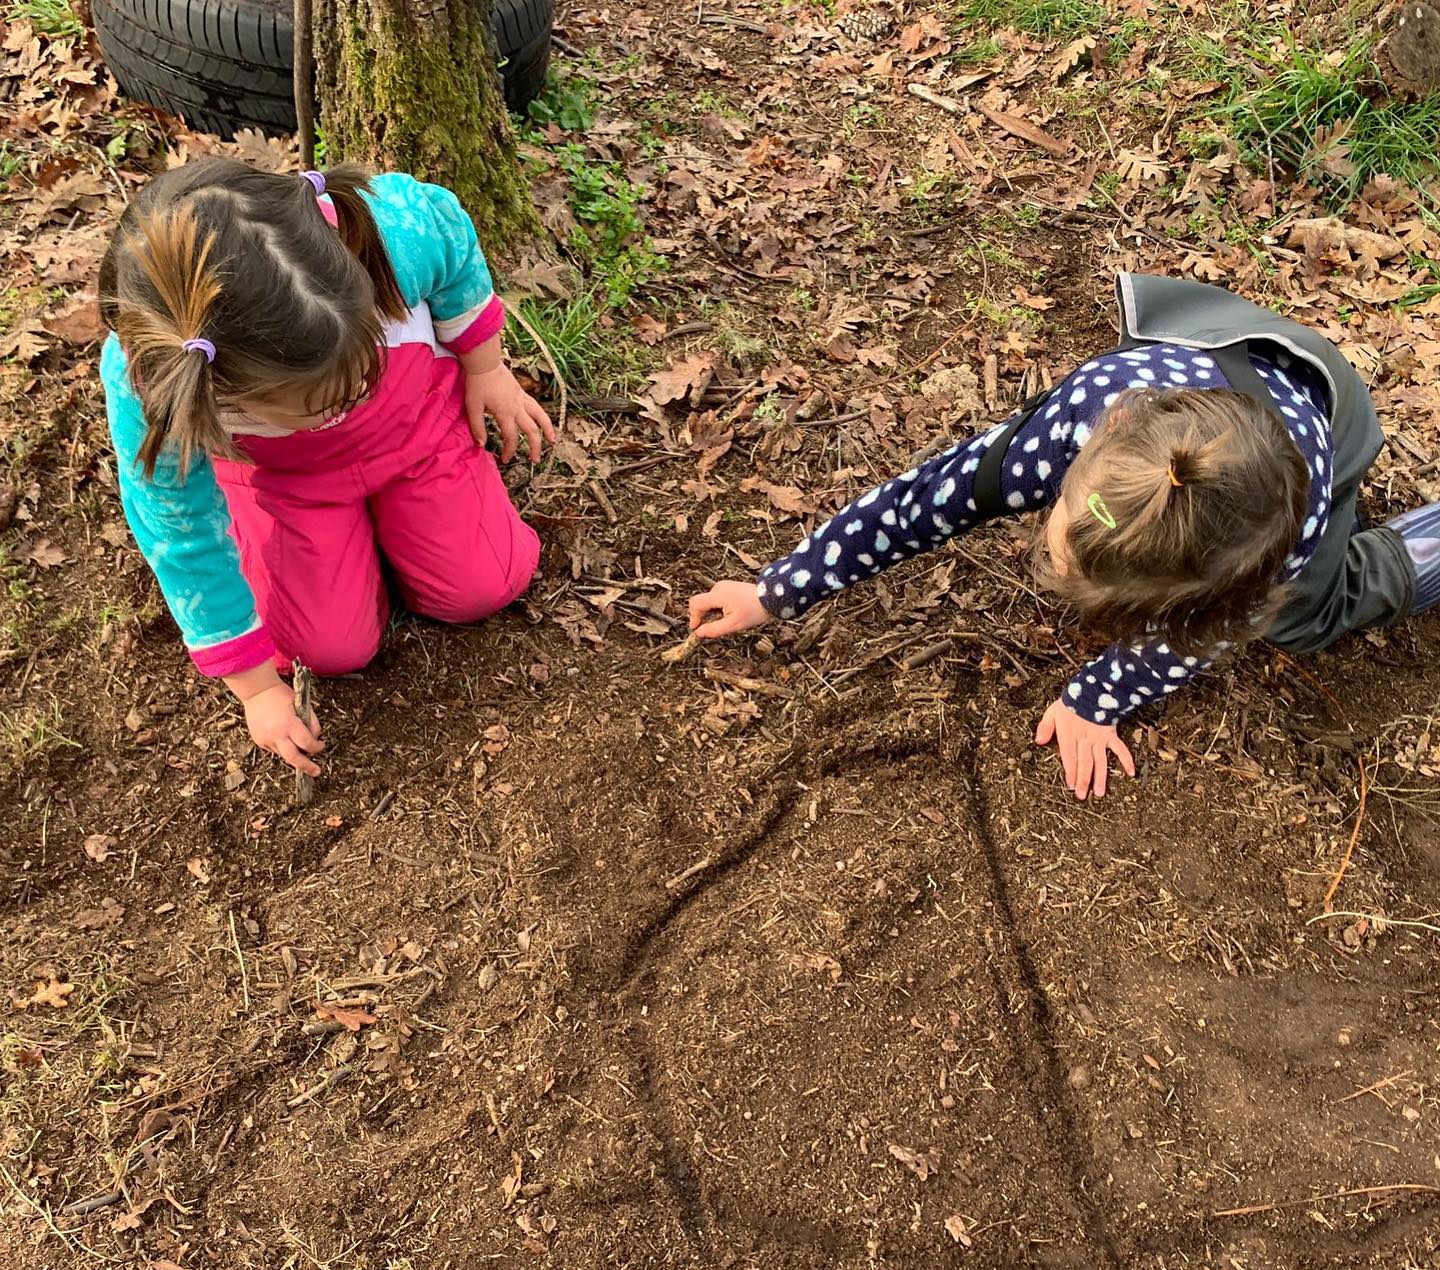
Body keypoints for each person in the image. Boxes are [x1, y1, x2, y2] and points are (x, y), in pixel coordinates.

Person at [688, 273, 1440, 800]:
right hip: (1225, 346)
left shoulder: (1279, 544)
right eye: (1062, 539)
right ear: (1104, 433)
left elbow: (1201, 637)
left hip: (1326, 417)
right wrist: (781, 587)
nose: (1048, 560)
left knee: (1307, 617)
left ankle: (1420, 550)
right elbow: (926, 499)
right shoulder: (1075, 418)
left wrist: (1097, 698)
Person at [100, 160, 554, 777]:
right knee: (327, 649)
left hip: (413, 427)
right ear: (227, 396)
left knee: (489, 582)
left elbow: (452, 241)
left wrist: (485, 367)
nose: (344, 405)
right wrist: (257, 690)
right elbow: (178, 533)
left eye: (354, 377)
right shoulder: (154, 383)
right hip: (289, 483)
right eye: (319, 403)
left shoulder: (387, 231)